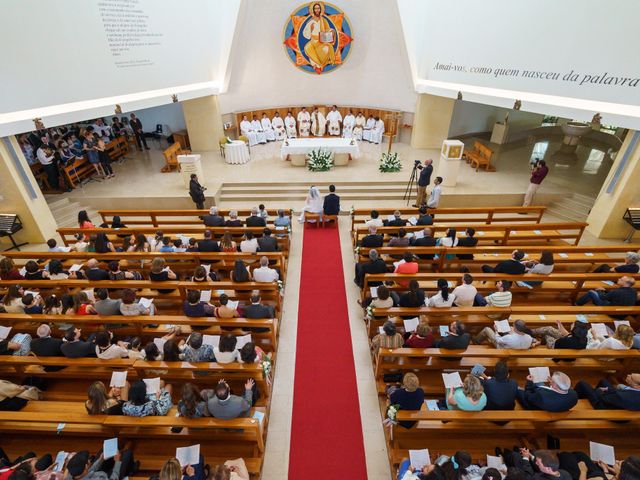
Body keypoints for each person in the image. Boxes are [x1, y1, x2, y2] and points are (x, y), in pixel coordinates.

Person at [575, 373, 640, 411]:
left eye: (631, 377)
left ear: (637, 386)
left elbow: (604, 398)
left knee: (582, 384)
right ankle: (589, 394)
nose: (628, 375)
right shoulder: (636, 392)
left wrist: (599, 391)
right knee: (603, 381)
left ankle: (576, 401)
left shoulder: (623, 396)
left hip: (604, 407)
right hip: (617, 402)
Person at [66, 447, 137, 480]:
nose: (90, 460)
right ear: (86, 466)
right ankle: (131, 471)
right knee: (128, 453)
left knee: (104, 450)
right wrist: (117, 462)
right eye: (88, 460)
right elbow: (114, 478)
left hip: (99, 473)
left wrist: (101, 459)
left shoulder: (73, 473)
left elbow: (90, 470)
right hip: (109, 477)